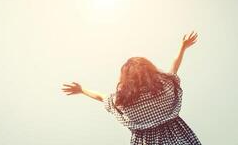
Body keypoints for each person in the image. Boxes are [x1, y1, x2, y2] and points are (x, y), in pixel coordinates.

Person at [62, 31, 202, 145]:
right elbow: (174, 68)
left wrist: (82, 90)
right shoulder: (164, 86)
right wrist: (182, 48)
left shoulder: (122, 101)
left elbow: (101, 96)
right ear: (150, 70)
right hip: (179, 137)